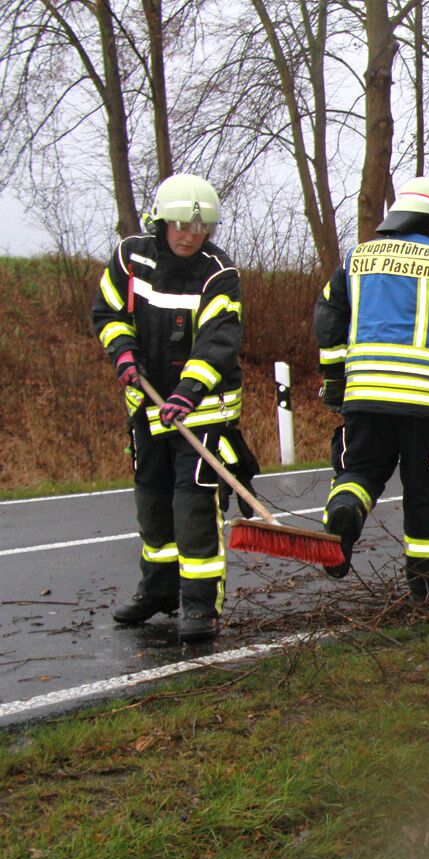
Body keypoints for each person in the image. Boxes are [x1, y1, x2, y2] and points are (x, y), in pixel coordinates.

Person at [314, 176, 429, 602]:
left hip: (364, 396)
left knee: (359, 472)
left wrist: (334, 381)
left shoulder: (356, 258)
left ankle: (344, 513)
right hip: (425, 402)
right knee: (423, 488)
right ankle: (425, 583)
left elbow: (327, 320)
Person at [93, 173, 245, 643]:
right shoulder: (130, 258)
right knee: (153, 502)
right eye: (181, 225)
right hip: (147, 408)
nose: (190, 235)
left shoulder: (219, 273)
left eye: (200, 227)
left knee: (193, 506)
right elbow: (108, 313)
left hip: (203, 412)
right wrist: (123, 353)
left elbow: (218, 341)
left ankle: (200, 605)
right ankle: (158, 591)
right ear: (161, 221)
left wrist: (187, 391)